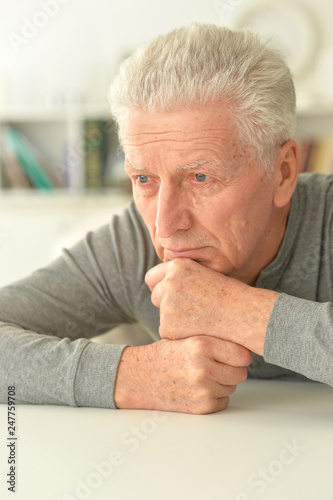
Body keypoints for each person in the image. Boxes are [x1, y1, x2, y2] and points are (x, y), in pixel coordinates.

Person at [1, 23, 332, 414]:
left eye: (200, 177)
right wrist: (130, 376)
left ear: (284, 173)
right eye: (144, 179)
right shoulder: (131, 246)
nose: (165, 225)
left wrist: (239, 311)